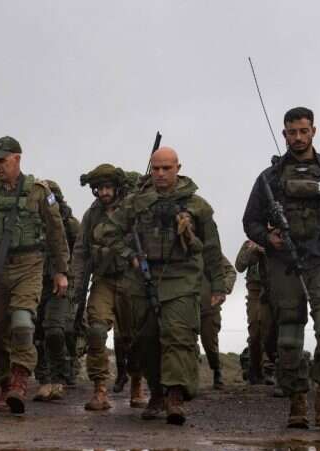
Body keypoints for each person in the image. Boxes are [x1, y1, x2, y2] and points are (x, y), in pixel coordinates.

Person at [242, 106, 320, 428]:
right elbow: (250, 221)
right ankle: (297, 398)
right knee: (288, 340)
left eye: (303, 131)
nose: (297, 137)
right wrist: (269, 238)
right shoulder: (269, 179)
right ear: (284, 134)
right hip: (285, 262)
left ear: (313, 131)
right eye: (292, 132)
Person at [103, 147, 226, 425]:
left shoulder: (197, 206)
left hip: (181, 278)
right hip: (142, 279)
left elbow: (211, 249)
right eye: (156, 168)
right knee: (144, 339)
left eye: (166, 168)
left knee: (177, 336)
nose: (160, 173)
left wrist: (218, 285)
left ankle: (175, 396)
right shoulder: (136, 203)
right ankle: (156, 390)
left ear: (177, 168)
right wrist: (130, 256)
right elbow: (107, 232)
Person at [0, 136, 69, 414]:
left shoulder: (37, 191)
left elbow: (57, 232)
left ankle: (20, 381)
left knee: (22, 323)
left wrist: (60, 271)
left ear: (17, 159)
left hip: (29, 266)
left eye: (2, 160)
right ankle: (4, 383)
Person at [71, 163, 146, 411]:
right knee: (96, 331)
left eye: (107, 187)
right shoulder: (92, 215)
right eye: (99, 188)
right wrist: (77, 284)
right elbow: (81, 252)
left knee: (132, 338)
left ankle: (137, 383)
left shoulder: (131, 209)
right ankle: (100, 389)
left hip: (130, 279)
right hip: (103, 281)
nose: (103, 193)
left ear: (116, 188)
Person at [33, 180, 80, 402]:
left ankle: (58, 378)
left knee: (55, 330)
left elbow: (80, 255)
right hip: (33, 281)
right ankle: (43, 379)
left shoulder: (70, 225)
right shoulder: (29, 221)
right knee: (35, 333)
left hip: (61, 283)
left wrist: (73, 282)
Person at [235, 239, 274, 385]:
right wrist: (251, 250)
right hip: (254, 291)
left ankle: (269, 368)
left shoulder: (276, 239)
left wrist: (267, 250)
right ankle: (255, 371)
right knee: (255, 329)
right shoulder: (248, 243)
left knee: (268, 328)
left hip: (272, 288)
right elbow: (239, 266)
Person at [199, 253, 236, 388]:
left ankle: (216, 370)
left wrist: (222, 289)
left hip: (209, 306)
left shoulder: (210, 250)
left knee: (210, 344)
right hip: (185, 304)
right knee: (184, 342)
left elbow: (230, 271)